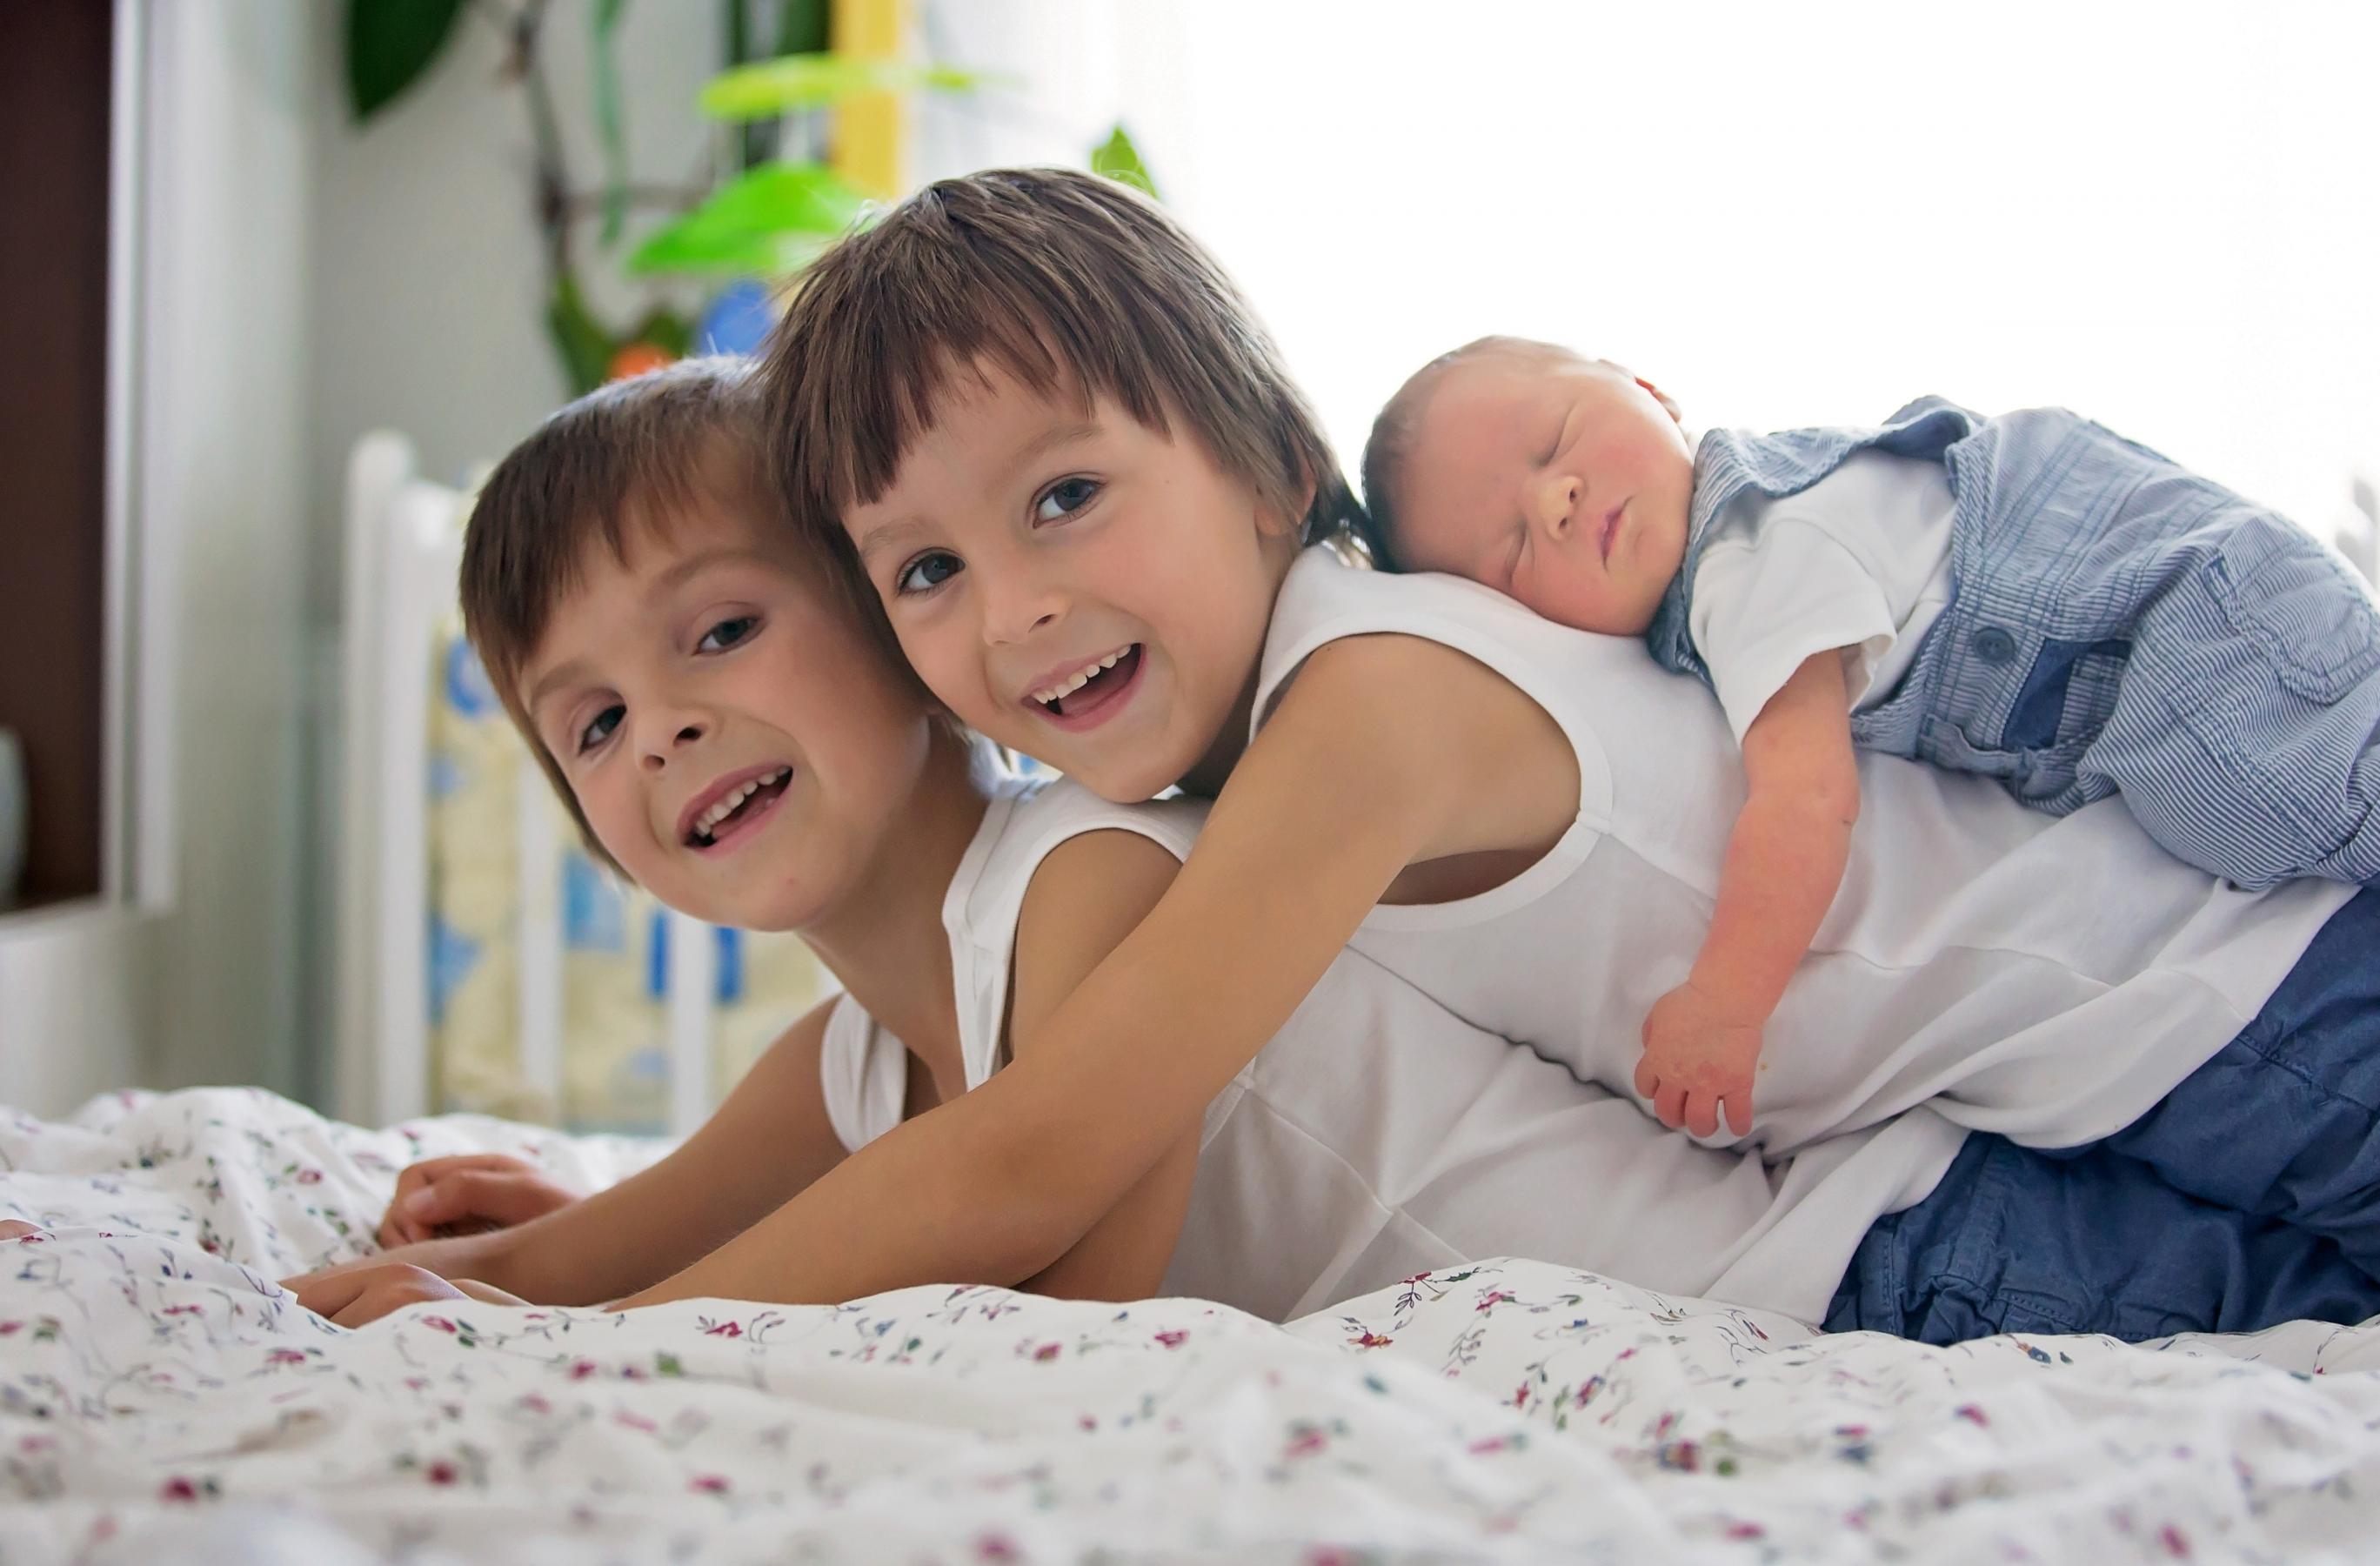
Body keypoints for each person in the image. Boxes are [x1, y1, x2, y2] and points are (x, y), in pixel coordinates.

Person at [711, 166, 2380, 1344]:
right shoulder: (1287, 722)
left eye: (1064, 498)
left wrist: (604, 1335)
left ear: (1264, 465)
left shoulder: (1364, 706)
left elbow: (1056, 1141)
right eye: (924, 572)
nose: (1014, 613)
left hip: (2217, 988)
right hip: (2041, 1102)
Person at [286, 357, 1949, 1334]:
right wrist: (512, 1274)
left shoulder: (1087, 874)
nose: (658, 731)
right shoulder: (851, 1065)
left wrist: (583, 1343)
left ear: (898, 622)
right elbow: (567, 1264)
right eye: (590, 726)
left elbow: (1053, 1291)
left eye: (721, 633)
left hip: (1811, 1284)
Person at [1357, 337, 2380, 1133]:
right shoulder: (1750, 540)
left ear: (1648, 388)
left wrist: (1727, 1003)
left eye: (1555, 441)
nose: (1557, 499)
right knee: (2261, 818)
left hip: (2182, 614)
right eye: (1510, 549)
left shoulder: (1752, 563)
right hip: (2161, 603)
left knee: (2235, 791)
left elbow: (1804, 803)